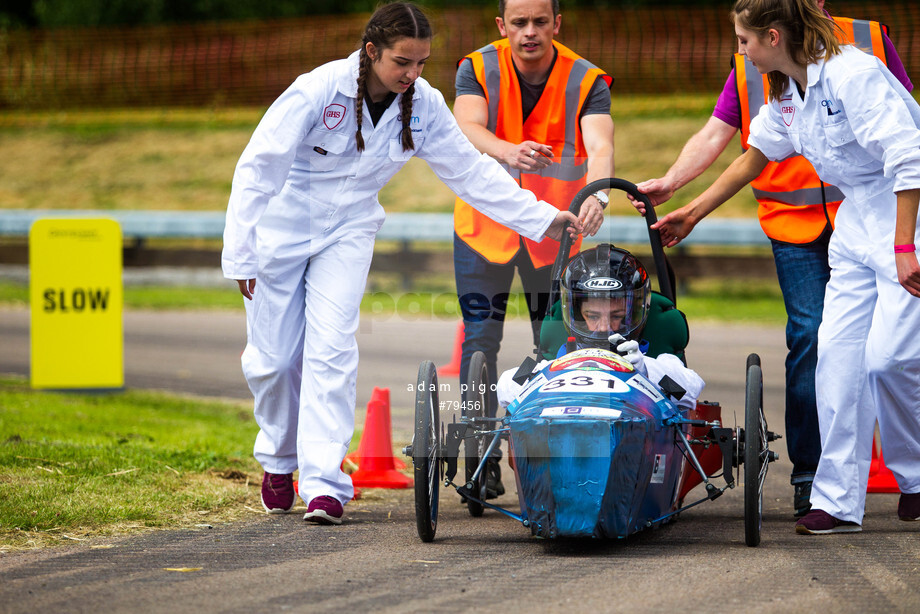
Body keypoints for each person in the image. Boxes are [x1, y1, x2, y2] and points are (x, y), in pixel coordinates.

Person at [221, 2, 583, 526]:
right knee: (273, 361)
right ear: (371, 52)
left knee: (332, 348)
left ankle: (323, 482)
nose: (412, 74)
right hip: (278, 233)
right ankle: (279, 458)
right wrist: (241, 251)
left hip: (348, 231)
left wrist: (543, 219)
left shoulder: (424, 103)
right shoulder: (317, 90)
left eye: (421, 63)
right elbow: (257, 167)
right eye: (401, 63)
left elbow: (471, 174)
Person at [633, 0, 912, 519]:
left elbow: (908, 151)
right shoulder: (783, 85)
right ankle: (832, 497)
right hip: (843, 223)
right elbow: (751, 153)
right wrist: (688, 209)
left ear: (775, 35)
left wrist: (903, 246)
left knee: (889, 359)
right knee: (832, 355)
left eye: (744, 41)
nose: (739, 51)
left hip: (903, 217)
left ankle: (915, 476)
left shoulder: (857, 67)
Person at [452, 0, 615, 494]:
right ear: (502, 26)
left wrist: (601, 191)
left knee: (555, 348)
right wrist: (508, 150)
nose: (529, 33)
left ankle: (551, 460)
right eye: (518, 23)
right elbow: (466, 127)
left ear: (557, 24)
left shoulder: (588, 80)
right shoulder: (476, 67)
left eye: (539, 22)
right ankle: (480, 463)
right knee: (480, 341)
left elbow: (601, 146)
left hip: (556, 235)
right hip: (485, 231)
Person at [497, 244, 704, 411]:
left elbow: (690, 391)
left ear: (636, 313)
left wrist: (644, 372)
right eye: (593, 316)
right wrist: (554, 371)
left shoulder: (657, 363)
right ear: (576, 314)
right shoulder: (553, 364)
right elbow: (505, 388)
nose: (605, 326)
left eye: (617, 316)